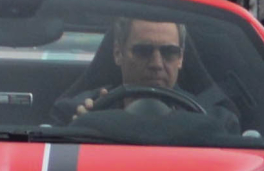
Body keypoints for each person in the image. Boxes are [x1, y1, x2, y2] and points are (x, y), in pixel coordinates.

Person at [53, 15, 238, 126]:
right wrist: (79, 131)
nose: (156, 64)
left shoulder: (216, 123)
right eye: (143, 51)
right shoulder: (77, 113)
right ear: (118, 53)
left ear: (181, 58)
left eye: (169, 53)